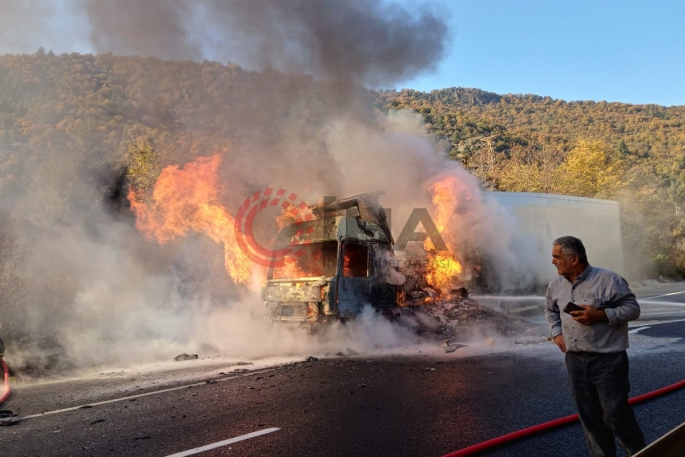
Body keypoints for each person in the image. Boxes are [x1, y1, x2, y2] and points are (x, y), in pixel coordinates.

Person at [545, 235, 646, 457]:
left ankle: (641, 453)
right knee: (589, 418)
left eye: (556, 256)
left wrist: (601, 315)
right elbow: (551, 310)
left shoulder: (609, 280)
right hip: (575, 361)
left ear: (574, 259)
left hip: (608, 361)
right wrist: (556, 333)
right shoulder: (555, 285)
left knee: (615, 414)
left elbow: (633, 309)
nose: (552, 261)